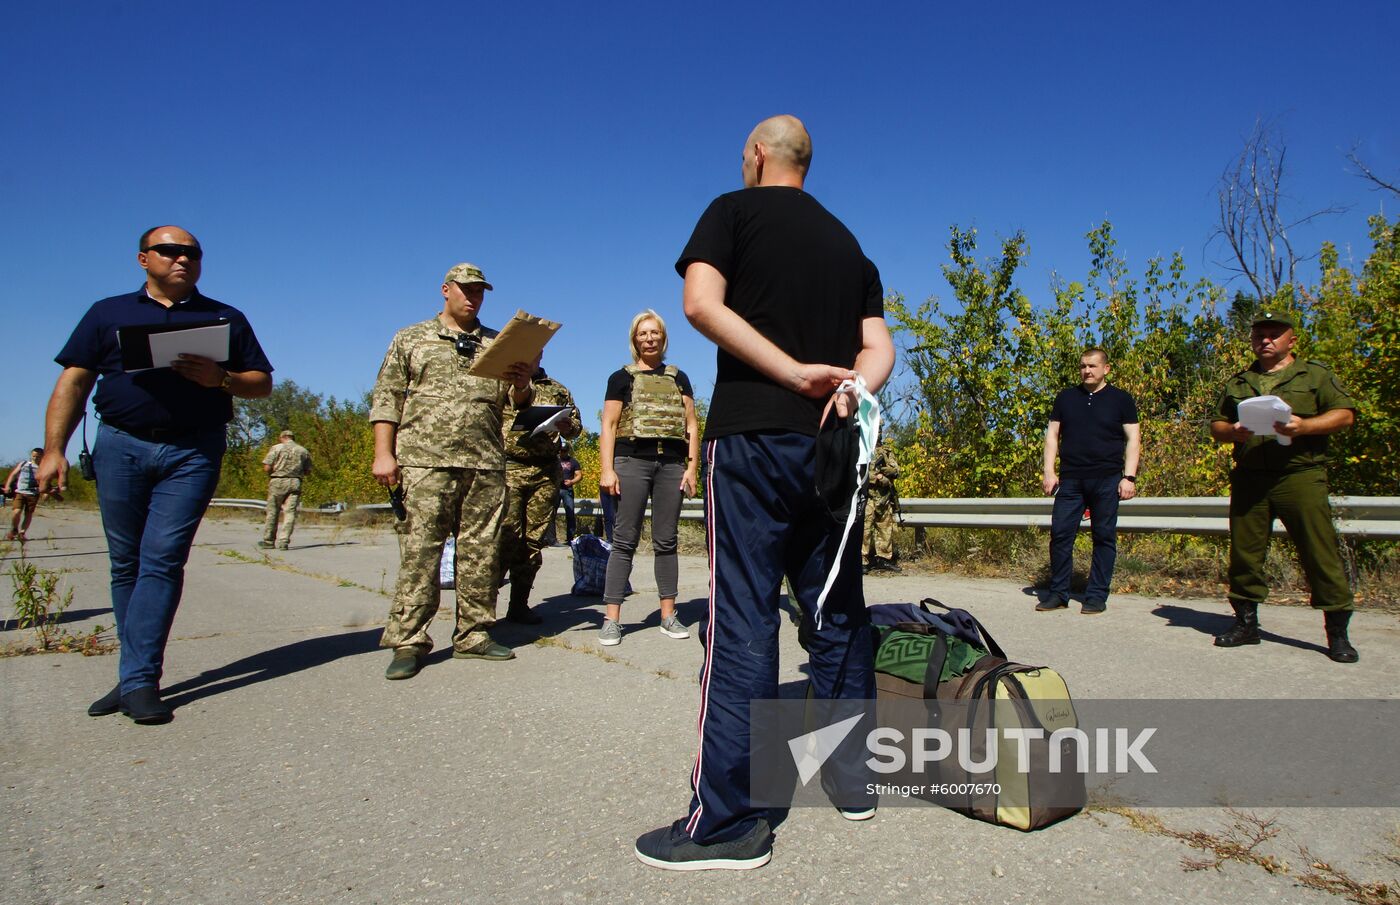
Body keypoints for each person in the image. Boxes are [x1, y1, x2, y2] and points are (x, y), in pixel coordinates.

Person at [633, 115, 895, 871]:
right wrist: (848, 386)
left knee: (742, 615)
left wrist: (788, 373)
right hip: (830, 448)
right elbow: (879, 348)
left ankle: (726, 824)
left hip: (749, 440)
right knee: (836, 609)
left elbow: (700, 306)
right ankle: (853, 782)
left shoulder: (731, 210)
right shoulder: (850, 246)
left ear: (757, 156)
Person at [37, 225, 273, 724]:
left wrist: (222, 379)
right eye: (169, 251)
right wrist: (53, 449)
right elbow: (74, 380)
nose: (182, 259)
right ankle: (133, 675)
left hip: (192, 451)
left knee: (162, 558)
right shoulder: (108, 313)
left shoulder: (224, 317)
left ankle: (141, 681)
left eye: (191, 253)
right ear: (144, 259)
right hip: (120, 446)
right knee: (125, 564)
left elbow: (262, 383)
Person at [370, 262, 536, 680]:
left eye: (479, 291)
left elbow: (519, 405)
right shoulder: (412, 338)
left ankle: (474, 635)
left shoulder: (498, 343)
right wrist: (383, 454)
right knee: (421, 553)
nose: (472, 297)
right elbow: (387, 397)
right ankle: (409, 641)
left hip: (484, 463)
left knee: (481, 554)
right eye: (465, 289)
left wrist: (521, 381)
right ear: (445, 290)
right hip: (424, 460)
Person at [1209, 312, 1359, 663]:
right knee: (1245, 554)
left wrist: (1304, 427)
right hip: (1250, 477)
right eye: (1259, 334)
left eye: (1274, 334)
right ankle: (1246, 625)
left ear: (1292, 340)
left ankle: (1337, 633)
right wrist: (1232, 432)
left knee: (1319, 553)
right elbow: (1216, 424)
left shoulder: (1314, 375)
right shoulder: (1239, 382)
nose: (1265, 340)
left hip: (1300, 476)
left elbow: (1345, 415)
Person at [597, 310, 700, 646]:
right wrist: (607, 469)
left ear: (663, 337)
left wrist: (692, 467)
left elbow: (692, 426)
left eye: (655, 333)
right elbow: (609, 426)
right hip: (631, 462)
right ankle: (612, 620)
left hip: (670, 465)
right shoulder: (620, 378)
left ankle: (668, 615)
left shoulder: (678, 377)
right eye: (643, 334)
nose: (650, 338)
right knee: (624, 540)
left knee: (666, 541)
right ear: (634, 339)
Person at [1038, 348, 1141, 614]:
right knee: (1060, 535)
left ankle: (1095, 596)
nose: (1087, 371)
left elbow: (1133, 440)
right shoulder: (1066, 398)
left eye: (1093, 366)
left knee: (1104, 537)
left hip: (1107, 478)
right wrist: (1049, 471)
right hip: (1071, 479)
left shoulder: (1121, 399)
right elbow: (1052, 436)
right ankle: (1058, 593)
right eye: (1083, 366)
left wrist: (1128, 477)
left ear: (1106, 369)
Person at [498, 366, 581, 624]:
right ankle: (480, 611)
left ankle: (519, 604)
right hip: (508, 468)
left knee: (533, 542)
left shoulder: (557, 388)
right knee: (505, 538)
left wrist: (568, 426)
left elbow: (576, 427)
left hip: (545, 471)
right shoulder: (501, 382)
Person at [260, 429, 312, 549]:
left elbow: (267, 467)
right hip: (295, 482)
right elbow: (308, 471)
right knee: (290, 512)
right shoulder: (303, 450)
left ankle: (268, 541)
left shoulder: (276, 448)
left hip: (278, 480)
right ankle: (284, 541)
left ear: (282, 437)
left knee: (273, 511)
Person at [862, 439, 901, 573]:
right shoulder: (863, 447)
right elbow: (860, 472)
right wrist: (876, 477)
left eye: (880, 428)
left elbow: (896, 471)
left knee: (885, 529)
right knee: (865, 530)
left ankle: (883, 559)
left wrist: (886, 473)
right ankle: (862, 560)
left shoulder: (886, 451)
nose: (878, 432)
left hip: (884, 498)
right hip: (869, 497)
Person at [4, 448, 44, 542]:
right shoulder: (24, 464)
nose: (35, 458)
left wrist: (45, 492)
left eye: (37, 456)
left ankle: (22, 533)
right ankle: (14, 529)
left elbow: (45, 481)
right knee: (16, 512)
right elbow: (13, 474)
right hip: (20, 492)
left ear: (42, 456)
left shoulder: (43, 468)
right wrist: (7, 485)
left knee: (28, 514)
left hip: (33, 494)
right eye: (33, 456)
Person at [557, 443, 582, 543]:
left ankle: (570, 537)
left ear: (567, 451)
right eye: (561, 450)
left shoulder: (573, 462)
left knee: (570, 513)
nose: (562, 453)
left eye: (564, 451)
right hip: (556, 489)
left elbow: (579, 475)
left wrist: (572, 482)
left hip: (567, 490)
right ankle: (550, 539)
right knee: (551, 513)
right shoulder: (555, 460)